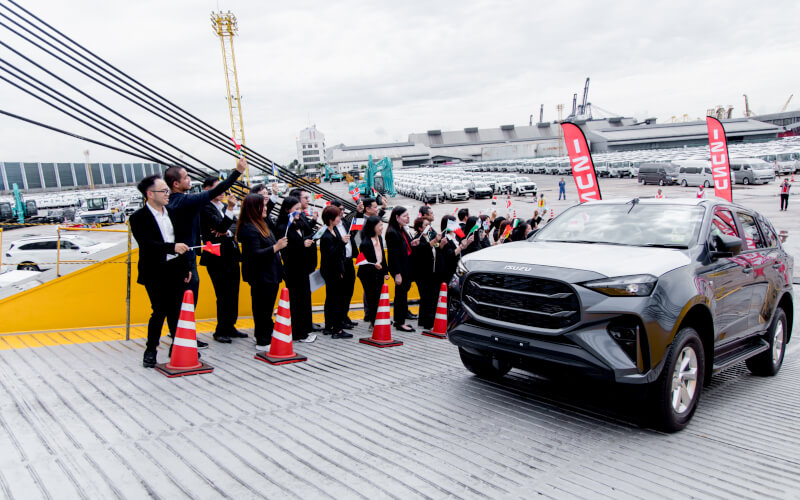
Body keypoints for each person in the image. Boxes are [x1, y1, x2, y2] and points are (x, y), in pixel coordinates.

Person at [164, 157, 246, 311]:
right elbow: (216, 191)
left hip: (179, 254)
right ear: (176, 184)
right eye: (186, 177)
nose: (189, 180)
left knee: (182, 301)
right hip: (186, 256)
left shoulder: (171, 203)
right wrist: (237, 172)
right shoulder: (185, 201)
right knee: (188, 300)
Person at [129, 174, 192, 368]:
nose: (167, 194)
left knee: (177, 311)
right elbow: (147, 244)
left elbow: (182, 241)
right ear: (150, 194)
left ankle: (178, 347)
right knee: (159, 310)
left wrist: (187, 267)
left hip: (176, 268)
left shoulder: (173, 213)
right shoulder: (138, 218)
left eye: (167, 190)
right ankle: (151, 349)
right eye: (163, 191)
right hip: (155, 271)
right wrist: (171, 247)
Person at [236, 194, 288, 352]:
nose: (266, 208)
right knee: (262, 309)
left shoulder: (261, 224)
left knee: (267, 308)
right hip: (261, 275)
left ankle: (265, 334)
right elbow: (254, 254)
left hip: (271, 273)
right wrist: (276, 247)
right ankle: (262, 339)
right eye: (262, 206)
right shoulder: (248, 228)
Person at [199, 176, 243, 343]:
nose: (223, 191)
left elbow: (235, 225)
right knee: (223, 294)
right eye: (219, 187)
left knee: (234, 292)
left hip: (231, 253)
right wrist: (228, 215)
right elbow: (220, 226)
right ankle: (220, 330)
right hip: (216, 256)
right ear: (207, 189)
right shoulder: (205, 208)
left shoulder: (223, 207)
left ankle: (230, 326)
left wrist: (227, 231)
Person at [276, 196, 317, 343]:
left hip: (303, 268)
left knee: (304, 299)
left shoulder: (298, 224)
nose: (299, 212)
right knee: (296, 301)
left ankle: (305, 329)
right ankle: (298, 332)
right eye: (296, 209)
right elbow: (285, 250)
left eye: (300, 209)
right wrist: (302, 244)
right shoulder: (283, 227)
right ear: (287, 210)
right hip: (292, 269)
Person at [319, 205, 353, 338]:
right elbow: (331, 254)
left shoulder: (333, 231)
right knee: (335, 299)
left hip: (335, 269)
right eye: (337, 216)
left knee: (332, 298)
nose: (340, 218)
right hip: (331, 271)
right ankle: (337, 329)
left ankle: (330, 326)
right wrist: (342, 243)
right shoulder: (326, 235)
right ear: (331, 219)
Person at [385, 206, 417, 332]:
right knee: (400, 296)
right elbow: (393, 256)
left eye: (408, 215)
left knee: (403, 294)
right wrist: (397, 273)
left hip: (406, 267)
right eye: (404, 216)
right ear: (397, 217)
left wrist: (413, 244)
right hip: (400, 269)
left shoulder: (401, 230)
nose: (407, 218)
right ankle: (399, 322)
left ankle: (400, 320)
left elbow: (405, 247)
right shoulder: (392, 233)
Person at [330, 200, 358, 329]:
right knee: (339, 293)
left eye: (343, 209)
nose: (342, 212)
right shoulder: (331, 227)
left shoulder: (345, 222)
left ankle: (344, 315)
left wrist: (360, 213)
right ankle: (338, 319)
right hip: (339, 263)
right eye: (339, 209)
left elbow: (356, 229)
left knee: (348, 291)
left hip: (349, 260)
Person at [357, 215, 388, 327]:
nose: (382, 228)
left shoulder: (380, 238)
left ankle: (378, 318)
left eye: (382, 225)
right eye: (380, 225)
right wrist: (374, 266)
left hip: (378, 272)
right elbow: (364, 262)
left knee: (379, 296)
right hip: (367, 274)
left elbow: (382, 256)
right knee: (372, 298)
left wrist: (385, 272)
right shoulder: (365, 243)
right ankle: (373, 321)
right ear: (373, 227)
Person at [410, 216, 441, 329]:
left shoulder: (427, 237)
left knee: (428, 297)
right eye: (426, 225)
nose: (429, 227)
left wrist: (437, 242)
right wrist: (435, 240)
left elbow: (434, 248)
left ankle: (424, 321)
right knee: (426, 297)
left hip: (430, 272)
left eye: (429, 225)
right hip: (422, 273)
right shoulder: (417, 239)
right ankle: (427, 322)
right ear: (420, 228)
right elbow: (424, 248)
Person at [435, 215, 473, 287]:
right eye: (453, 223)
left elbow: (461, 248)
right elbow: (451, 254)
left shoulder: (455, 235)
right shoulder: (443, 238)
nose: (456, 225)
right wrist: (461, 246)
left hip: (458, 265)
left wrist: (468, 242)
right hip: (449, 268)